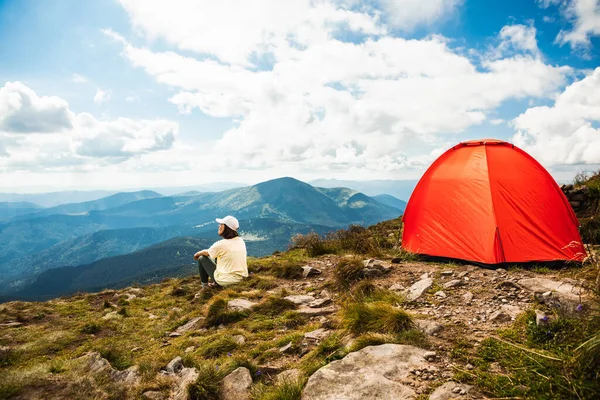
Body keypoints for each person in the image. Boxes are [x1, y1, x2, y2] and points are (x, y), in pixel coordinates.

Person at [193, 215, 248, 289]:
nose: (219, 226)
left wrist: (197, 254)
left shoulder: (221, 244)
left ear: (227, 227)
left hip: (226, 281)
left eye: (221, 224)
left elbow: (206, 253)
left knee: (202, 258)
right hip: (241, 278)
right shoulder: (240, 241)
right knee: (217, 255)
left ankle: (204, 287)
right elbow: (212, 252)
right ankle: (214, 283)